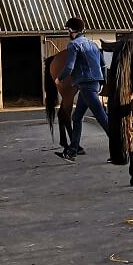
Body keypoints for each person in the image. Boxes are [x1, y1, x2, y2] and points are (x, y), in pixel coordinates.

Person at [56, 16, 110, 162]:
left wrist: (59, 78)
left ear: (71, 30)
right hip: (92, 84)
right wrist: (102, 83)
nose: (68, 32)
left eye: (68, 30)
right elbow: (103, 65)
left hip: (86, 85)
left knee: (102, 118)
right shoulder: (93, 44)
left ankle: (120, 148)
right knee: (76, 117)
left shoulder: (73, 45)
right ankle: (72, 152)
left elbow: (69, 66)